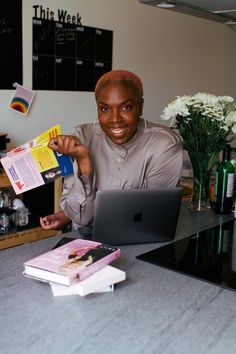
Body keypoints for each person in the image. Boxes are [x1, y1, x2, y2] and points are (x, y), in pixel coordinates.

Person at [40, 69, 183, 232]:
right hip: (83, 245)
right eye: (105, 109)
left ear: (140, 107)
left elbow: (149, 217)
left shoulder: (164, 145)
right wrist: (84, 162)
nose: (115, 119)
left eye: (126, 107)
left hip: (137, 241)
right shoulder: (81, 138)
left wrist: (73, 213)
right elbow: (81, 219)